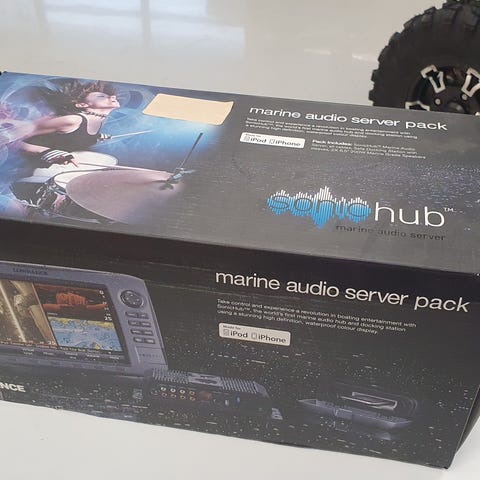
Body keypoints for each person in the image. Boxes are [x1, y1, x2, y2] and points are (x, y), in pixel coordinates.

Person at [18, 80, 120, 167]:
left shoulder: (98, 121)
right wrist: (44, 151)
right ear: (82, 104)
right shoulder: (72, 120)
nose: (113, 97)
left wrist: (94, 137)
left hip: (54, 168)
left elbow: (70, 136)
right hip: (25, 168)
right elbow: (11, 137)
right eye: (101, 96)